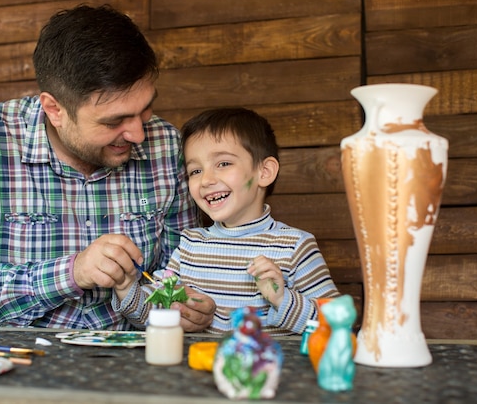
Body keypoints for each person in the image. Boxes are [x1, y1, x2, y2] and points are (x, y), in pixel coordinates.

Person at [0, 4, 215, 332]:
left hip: (138, 362)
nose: (138, 134)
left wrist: (190, 306)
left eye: (146, 109)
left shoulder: (166, 144)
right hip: (22, 365)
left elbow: (183, 275)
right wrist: (71, 273)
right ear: (54, 109)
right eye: (115, 121)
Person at [113, 107, 340, 334]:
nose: (206, 180)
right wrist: (126, 288)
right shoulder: (190, 245)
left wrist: (283, 300)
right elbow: (153, 314)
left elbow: (338, 326)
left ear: (264, 172)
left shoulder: (295, 245)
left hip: (266, 368)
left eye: (223, 164)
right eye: (195, 171)